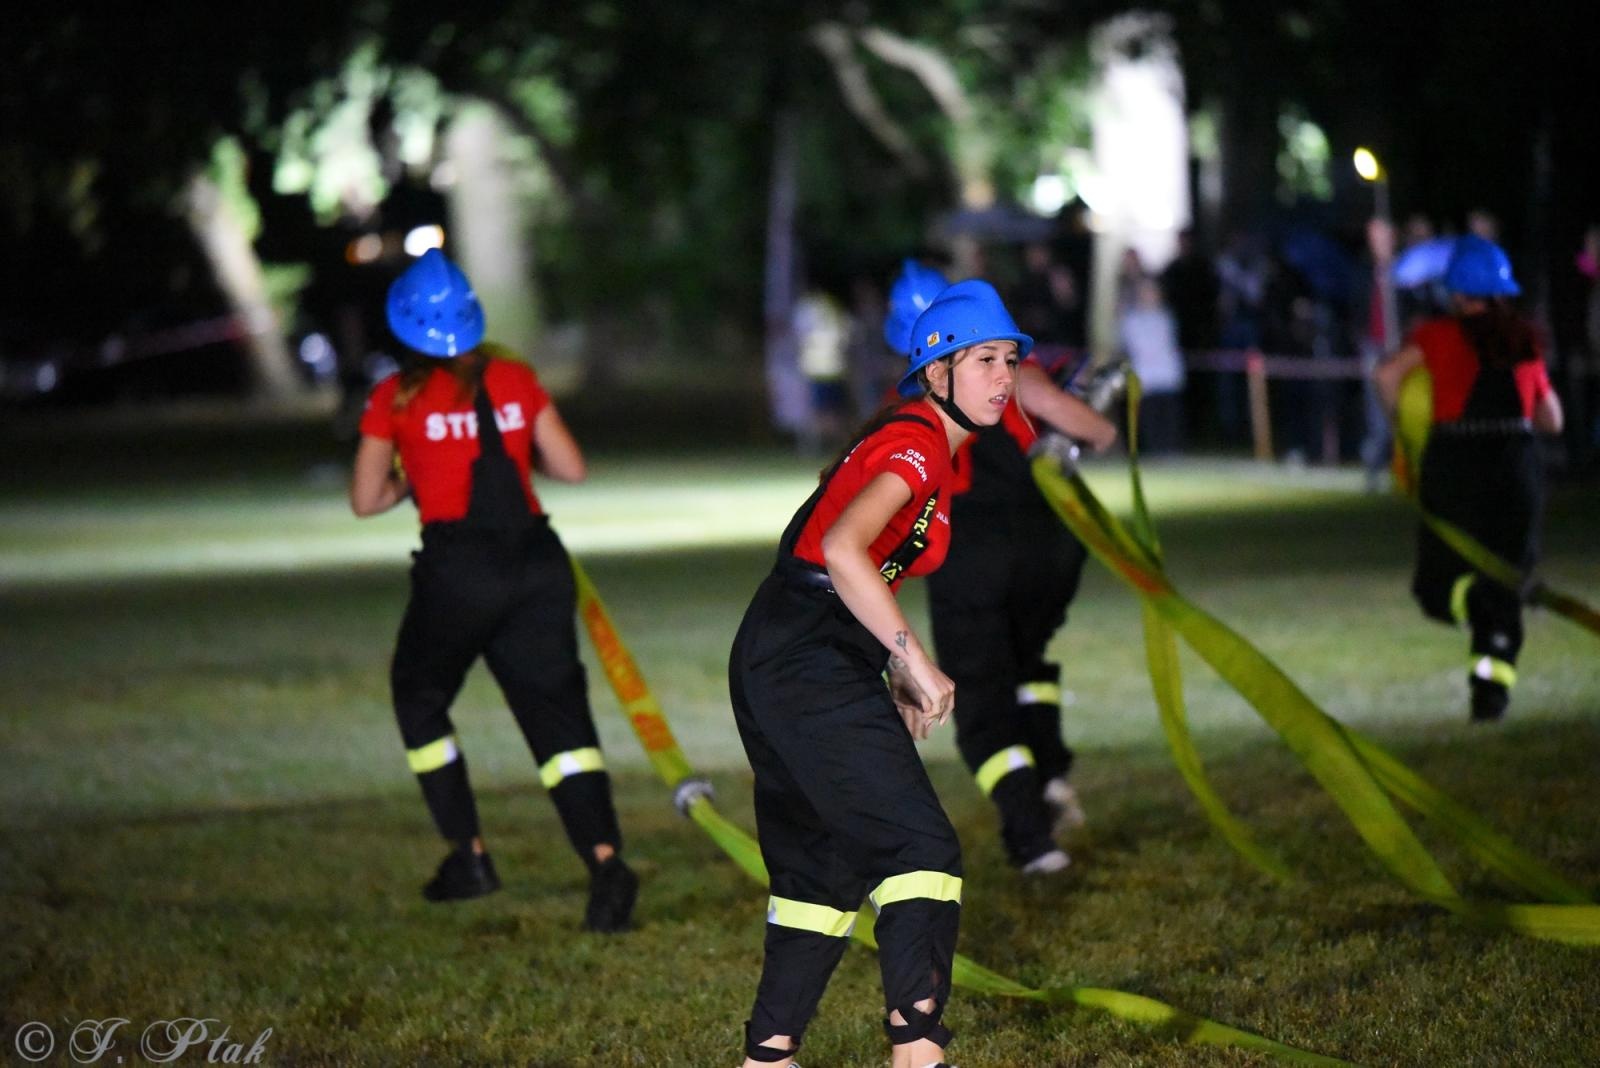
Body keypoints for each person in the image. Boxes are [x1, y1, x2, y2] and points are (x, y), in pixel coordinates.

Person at [728, 280, 1024, 1068]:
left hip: (789, 645)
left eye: (1010, 361)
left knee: (818, 871)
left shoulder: (927, 443)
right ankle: (917, 1053)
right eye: (985, 360)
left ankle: (769, 1057)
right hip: (803, 652)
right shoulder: (919, 442)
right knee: (920, 851)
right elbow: (842, 549)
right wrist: (912, 656)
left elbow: (848, 565)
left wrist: (885, 662)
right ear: (937, 374)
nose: (1004, 377)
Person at [349, 249, 638, 930]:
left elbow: (366, 499)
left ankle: (469, 856)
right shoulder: (513, 378)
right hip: (537, 567)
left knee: (419, 697)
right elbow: (570, 468)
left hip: (458, 573)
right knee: (560, 723)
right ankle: (605, 866)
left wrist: (412, 476)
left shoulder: (395, 398)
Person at [894, 263, 1117, 878]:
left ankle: (1031, 836)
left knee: (984, 702)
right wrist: (1091, 428)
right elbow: (1081, 422)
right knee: (1028, 664)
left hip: (969, 556)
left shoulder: (914, 398)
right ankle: (1051, 778)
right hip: (1048, 549)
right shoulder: (1008, 369)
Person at [1374, 236, 1564, 722]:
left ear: (1456, 292)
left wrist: (1403, 426)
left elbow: (1386, 378)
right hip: (1516, 465)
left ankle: (1475, 603)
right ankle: (1491, 694)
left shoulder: (1435, 335)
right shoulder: (1526, 339)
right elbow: (1552, 420)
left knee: (1435, 589)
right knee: (1505, 586)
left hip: (1456, 461)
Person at [1118, 277, 1186, 455]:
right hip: (1146, 378)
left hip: (1167, 376)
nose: (1149, 295)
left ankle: (1171, 453)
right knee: (1150, 420)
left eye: (1152, 291)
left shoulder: (1165, 316)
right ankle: (1155, 454)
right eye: (1145, 291)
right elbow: (1134, 345)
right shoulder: (1130, 320)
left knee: (1170, 419)